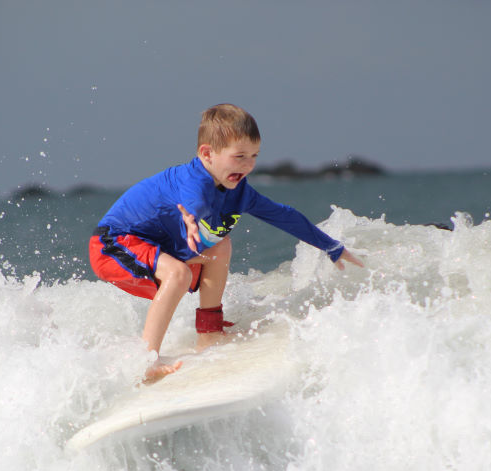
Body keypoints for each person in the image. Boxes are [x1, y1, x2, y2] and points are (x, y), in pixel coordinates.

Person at [89, 104, 364, 382]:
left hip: (158, 246)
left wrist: (332, 247)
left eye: (254, 156)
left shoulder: (240, 193)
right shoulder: (192, 179)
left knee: (221, 245)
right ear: (207, 154)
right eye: (239, 156)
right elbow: (193, 203)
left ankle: (209, 333)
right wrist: (191, 220)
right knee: (178, 273)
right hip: (112, 244)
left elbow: (284, 216)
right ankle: (146, 362)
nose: (247, 165)